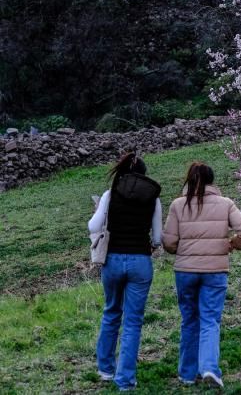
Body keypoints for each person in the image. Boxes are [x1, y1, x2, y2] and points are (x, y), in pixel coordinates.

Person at [163, 162, 241, 388]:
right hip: (215, 271)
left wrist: (183, 250)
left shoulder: (178, 205)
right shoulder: (225, 204)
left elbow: (168, 242)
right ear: (212, 181)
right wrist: (232, 244)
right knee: (210, 320)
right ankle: (209, 369)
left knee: (189, 320)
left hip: (185, 271)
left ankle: (186, 374)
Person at [89, 151, 162, 391]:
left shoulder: (111, 193)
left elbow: (93, 226)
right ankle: (126, 380)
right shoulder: (153, 197)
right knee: (133, 322)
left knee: (111, 312)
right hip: (140, 261)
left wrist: (101, 208)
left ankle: (105, 369)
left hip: (112, 260)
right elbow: (158, 237)